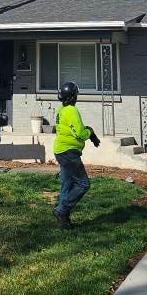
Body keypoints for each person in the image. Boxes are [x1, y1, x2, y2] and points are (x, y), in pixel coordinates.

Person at [52, 80, 100, 229]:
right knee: (83, 184)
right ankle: (62, 210)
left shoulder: (61, 109)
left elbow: (71, 128)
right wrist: (90, 132)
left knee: (67, 184)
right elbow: (79, 133)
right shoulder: (72, 110)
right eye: (76, 95)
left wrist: (87, 131)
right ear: (73, 97)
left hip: (60, 150)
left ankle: (64, 221)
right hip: (69, 152)